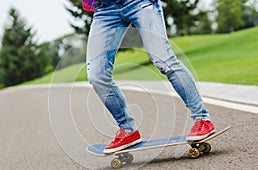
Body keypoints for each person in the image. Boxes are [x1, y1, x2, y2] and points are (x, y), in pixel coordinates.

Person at [83, 0, 215, 154]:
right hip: (105, 9)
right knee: (96, 76)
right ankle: (128, 130)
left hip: (139, 2)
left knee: (163, 60)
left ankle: (202, 119)